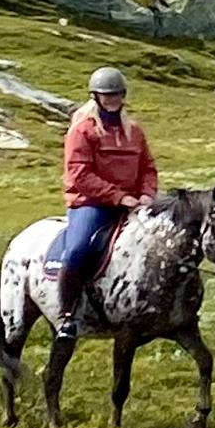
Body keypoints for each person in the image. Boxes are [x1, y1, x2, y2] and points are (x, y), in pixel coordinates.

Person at [51, 65, 157, 324]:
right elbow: (79, 173)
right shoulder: (82, 130)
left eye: (117, 94)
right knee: (77, 249)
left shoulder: (134, 131)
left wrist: (146, 195)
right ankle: (66, 315)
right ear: (95, 97)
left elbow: (148, 168)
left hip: (133, 205)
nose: (112, 100)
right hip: (91, 204)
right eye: (106, 95)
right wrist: (118, 196)